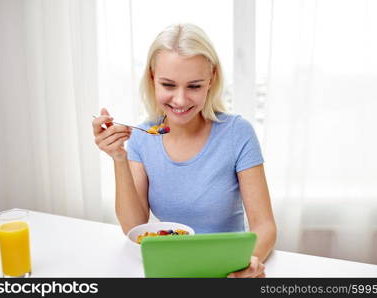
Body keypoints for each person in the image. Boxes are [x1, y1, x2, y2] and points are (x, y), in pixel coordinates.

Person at [92, 23, 276, 278]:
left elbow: (265, 225)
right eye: (168, 85)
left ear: (211, 79)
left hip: (228, 268)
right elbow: (134, 227)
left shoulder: (237, 133)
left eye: (194, 86)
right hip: (170, 270)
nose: (180, 100)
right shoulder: (142, 138)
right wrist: (118, 157)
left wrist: (250, 262)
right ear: (152, 78)